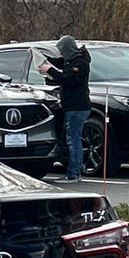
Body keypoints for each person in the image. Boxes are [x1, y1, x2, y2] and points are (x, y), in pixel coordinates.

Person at [40, 35, 91, 180]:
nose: (61, 54)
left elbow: (67, 79)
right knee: (75, 139)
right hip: (74, 107)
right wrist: (41, 57)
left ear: (68, 49)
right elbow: (59, 62)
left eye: (62, 50)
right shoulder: (72, 60)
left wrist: (49, 70)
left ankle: (73, 173)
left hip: (77, 107)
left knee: (73, 140)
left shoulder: (80, 64)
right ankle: (77, 169)